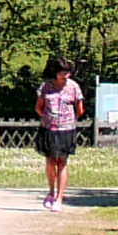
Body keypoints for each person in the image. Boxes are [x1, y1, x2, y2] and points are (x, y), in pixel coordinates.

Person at [35, 57, 87, 206]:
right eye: (62, 73)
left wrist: (69, 120)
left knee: (62, 162)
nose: (65, 76)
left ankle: (60, 198)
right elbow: (38, 107)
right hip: (49, 129)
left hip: (66, 130)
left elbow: (80, 109)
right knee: (51, 161)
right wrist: (48, 118)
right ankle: (51, 192)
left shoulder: (73, 87)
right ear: (55, 73)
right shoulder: (46, 87)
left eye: (67, 73)